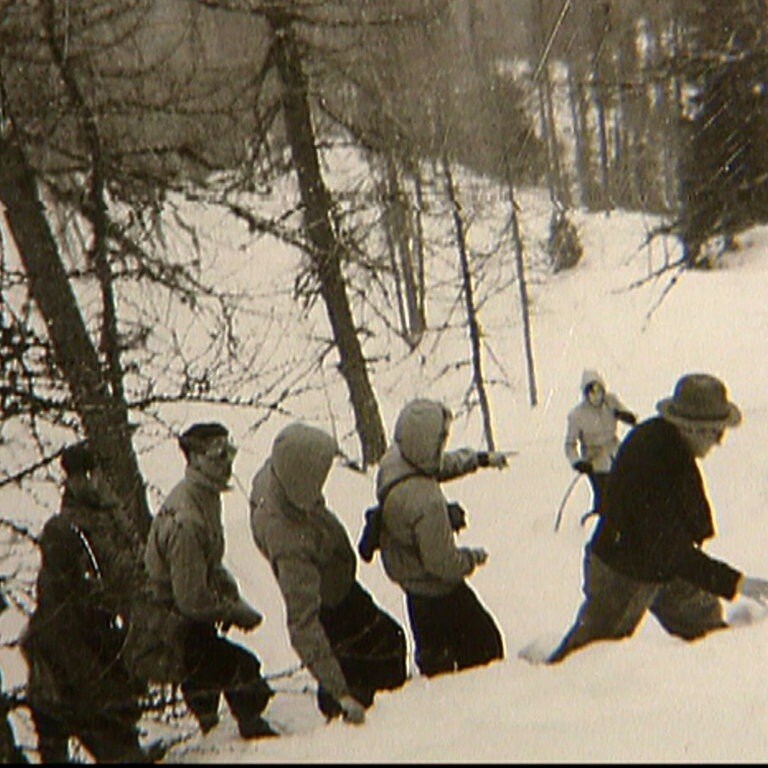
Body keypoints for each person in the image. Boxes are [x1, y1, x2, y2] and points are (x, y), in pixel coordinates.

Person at [548, 373, 768, 664]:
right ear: (692, 427)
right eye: (716, 432)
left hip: (662, 565)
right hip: (623, 574)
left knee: (709, 629)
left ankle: (723, 669)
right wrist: (737, 583)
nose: (719, 442)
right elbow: (670, 549)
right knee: (587, 657)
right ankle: (540, 685)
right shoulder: (650, 460)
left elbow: (672, 547)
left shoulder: (669, 443)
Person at [250, 422, 407, 726]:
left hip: (336, 585)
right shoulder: (289, 543)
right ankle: (347, 710)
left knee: (386, 641)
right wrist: (340, 692)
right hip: (331, 603)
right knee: (384, 652)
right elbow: (303, 623)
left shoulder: (280, 480)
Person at [136, 423, 276, 739]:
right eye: (217, 454)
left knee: (210, 662)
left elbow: (206, 562)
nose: (227, 462)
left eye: (230, 452)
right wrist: (232, 612)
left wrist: (227, 589)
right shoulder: (188, 518)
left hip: (183, 619)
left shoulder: (202, 496)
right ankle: (247, 734)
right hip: (171, 627)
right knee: (243, 668)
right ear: (195, 459)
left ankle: (210, 725)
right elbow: (190, 599)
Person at [21, 442, 152, 763]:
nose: (99, 481)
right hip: (80, 647)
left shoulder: (109, 514)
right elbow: (71, 602)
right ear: (77, 479)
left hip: (105, 631)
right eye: (91, 474)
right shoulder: (69, 529)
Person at [375, 398, 506, 678]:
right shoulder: (427, 501)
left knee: (436, 664)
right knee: (486, 650)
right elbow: (442, 563)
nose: (444, 442)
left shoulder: (395, 461)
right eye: (441, 438)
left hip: (413, 587)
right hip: (437, 593)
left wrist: (477, 459)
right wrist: (472, 558)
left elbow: (434, 465)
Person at [564, 369, 636, 524]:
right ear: (586, 393)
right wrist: (577, 462)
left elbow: (629, 416)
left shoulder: (610, 402)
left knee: (624, 489)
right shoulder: (577, 416)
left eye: (599, 391)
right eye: (592, 392)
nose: (596, 396)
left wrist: (626, 417)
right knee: (603, 494)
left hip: (616, 454)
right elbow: (570, 445)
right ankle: (601, 522)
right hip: (595, 461)